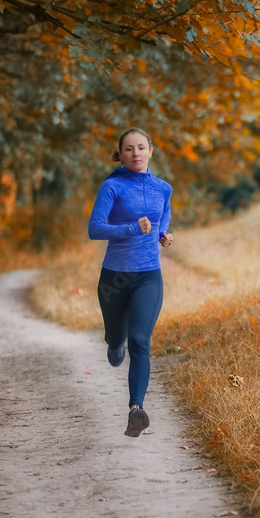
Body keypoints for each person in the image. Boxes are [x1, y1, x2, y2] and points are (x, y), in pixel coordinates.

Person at [87, 127, 173, 437]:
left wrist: (163, 235)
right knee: (116, 340)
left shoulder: (164, 188)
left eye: (141, 147)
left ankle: (136, 409)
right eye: (128, 149)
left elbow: (163, 218)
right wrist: (132, 229)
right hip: (114, 279)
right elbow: (95, 229)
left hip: (148, 277)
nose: (135, 153)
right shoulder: (113, 186)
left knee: (140, 341)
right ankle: (113, 344)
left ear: (151, 150)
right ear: (121, 154)